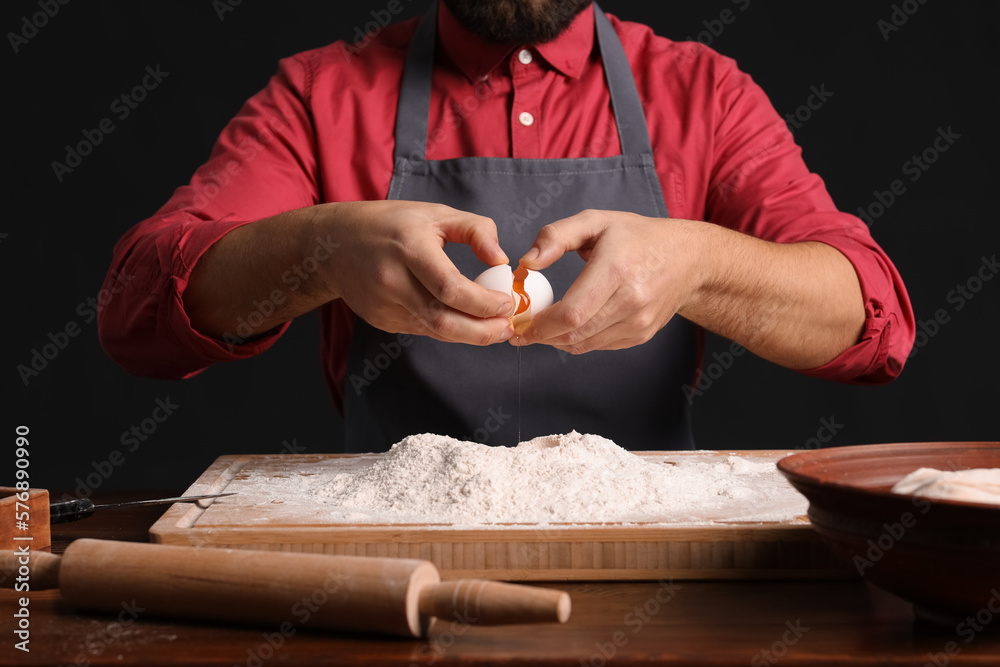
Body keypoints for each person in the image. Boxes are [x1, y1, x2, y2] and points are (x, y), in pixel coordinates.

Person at [97, 0, 915, 452]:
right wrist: (321, 248)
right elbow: (136, 319)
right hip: (394, 566)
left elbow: (873, 319)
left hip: (645, 562)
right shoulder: (324, 95)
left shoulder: (703, 93)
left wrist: (700, 263)